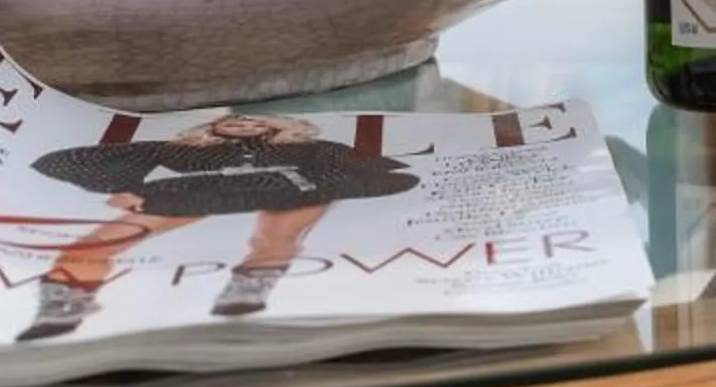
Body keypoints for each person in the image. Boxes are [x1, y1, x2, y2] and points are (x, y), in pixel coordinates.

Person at [21, 114, 419, 341]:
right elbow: (80, 159)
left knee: (276, 236)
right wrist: (118, 188)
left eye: (253, 120)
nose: (243, 122)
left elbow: (364, 167)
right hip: (195, 190)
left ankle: (248, 289)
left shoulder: (310, 150)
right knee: (102, 241)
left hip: (288, 186)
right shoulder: (174, 150)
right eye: (235, 119)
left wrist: (336, 186)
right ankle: (64, 301)